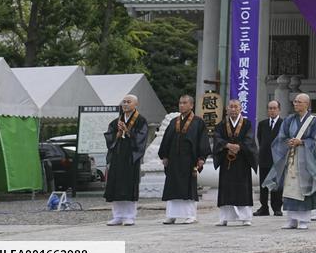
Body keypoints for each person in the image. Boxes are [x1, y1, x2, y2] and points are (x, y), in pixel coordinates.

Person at [268, 93, 316, 230]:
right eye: (295, 101)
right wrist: (288, 141)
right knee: (290, 188)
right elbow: (281, 137)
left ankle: (304, 220)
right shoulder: (289, 119)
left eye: (299, 102)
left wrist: (302, 142)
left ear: (307, 104)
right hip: (291, 157)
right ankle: (291, 220)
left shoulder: (313, 121)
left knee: (303, 188)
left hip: (306, 160)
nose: (296, 104)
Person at [158, 94, 210, 224]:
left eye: (185, 103)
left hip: (189, 160)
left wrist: (201, 157)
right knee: (172, 186)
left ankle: (190, 215)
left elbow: (203, 141)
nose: (181, 105)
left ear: (191, 105)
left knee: (188, 187)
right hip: (173, 159)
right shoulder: (173, 121)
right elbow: (166, 140)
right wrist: (164, 156)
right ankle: (171, 215)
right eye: (180, 103)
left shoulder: (198, 122)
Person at [103, 94, 148, 226]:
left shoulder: (140, 121)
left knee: (128, 186)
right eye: (124, 102)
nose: (125, 104)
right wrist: (117, 134)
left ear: (135, 104)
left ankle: (129, 216)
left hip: (130, 158)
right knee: (116, 186)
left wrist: (127, 131)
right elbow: (110, 137)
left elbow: (141, 138)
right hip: (117, 157)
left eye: (129, 102)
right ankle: (117, 216)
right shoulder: (116, 122)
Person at [212, 99, 258, 226]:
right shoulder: (221, 125)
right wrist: (227, 145)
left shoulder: (247, 124)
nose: (233, 109)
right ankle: (224, 218)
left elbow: (249, 139)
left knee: (243, 188)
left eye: (236, 107)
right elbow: (217, 138)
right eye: (231, 107)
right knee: (226, 189)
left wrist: (239, 146)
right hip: (226, 160)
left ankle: (246, 217)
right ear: (227, 109)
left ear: (241, 109)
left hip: (242, 160)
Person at [255, 99, 283, 216]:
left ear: (279, 110)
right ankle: (264, 207)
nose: (272, 111)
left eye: (274, 108)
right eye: (270, 108)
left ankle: (277, 207)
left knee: (276, 184)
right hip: (264, 158)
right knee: (263, 184)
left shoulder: (283, 123)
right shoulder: (262, 124)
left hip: (277, 159)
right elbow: (260, 139)